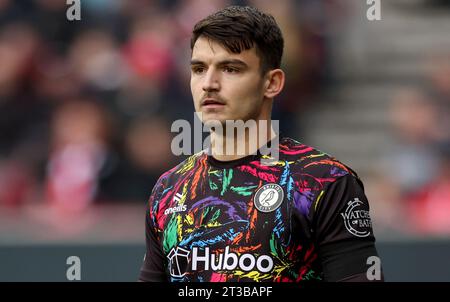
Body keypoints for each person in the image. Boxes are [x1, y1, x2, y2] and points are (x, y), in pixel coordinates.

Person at [139, 5, 383, 282]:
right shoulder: (169, 189)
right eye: (198, 69)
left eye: (230, 69)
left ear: (272, 83)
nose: (209, 83)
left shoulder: (325, 181)